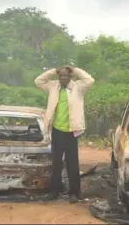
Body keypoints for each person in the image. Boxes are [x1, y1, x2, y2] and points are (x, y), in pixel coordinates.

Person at [34, 66, 94, 203]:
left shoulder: (78, 87)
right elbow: (38, 81)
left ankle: (74, 193)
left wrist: (75, 69)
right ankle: (55, 191)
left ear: (71, 76)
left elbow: (90, 80)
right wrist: (54, 70)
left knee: (72, 164)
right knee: (56, 163)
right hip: (57, 130)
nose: (63, 78)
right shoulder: (53, 86)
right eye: (60, 76)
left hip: (72, 131)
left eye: (66, 75)